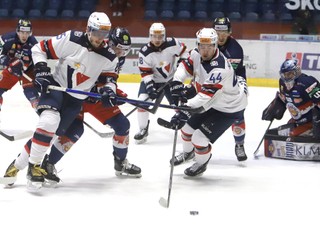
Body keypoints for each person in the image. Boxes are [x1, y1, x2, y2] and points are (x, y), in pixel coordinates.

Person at [3, 26, 141, 187]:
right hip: (75, 95)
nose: (120, 52)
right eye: (117, 48)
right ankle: (38, 165)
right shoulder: (87, 45)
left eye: (124, 50)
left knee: (121, 125)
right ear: (109, 41)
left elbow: (108, 80)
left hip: (89, 97)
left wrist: (112, 93)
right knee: (62, 128)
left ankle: (120, 162)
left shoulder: (114, 58)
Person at [167, 28, 247, 177]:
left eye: (209, 46)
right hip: (215, 100)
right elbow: (185, 67)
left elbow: (204, 96)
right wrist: (177, 82)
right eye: (202, 46)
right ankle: (188, 153)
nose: (205, 50)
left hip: (229, 107)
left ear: (215, 45)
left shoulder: (220, 67)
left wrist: (185, 109)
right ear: (198, 45)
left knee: (199, 138)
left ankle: (201, 162)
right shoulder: (196, 53)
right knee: (186, 128)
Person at [134, 22, 189, 144]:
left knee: (179, 105)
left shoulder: (172, 43)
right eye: (154, 36)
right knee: (142, 103)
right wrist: (150, 88)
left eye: (160, 36)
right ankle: (143, 129)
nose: (157, 39)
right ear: (150, 36)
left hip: (171, 81)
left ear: (164, 36)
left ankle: (187, 130)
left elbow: (185, 51)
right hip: (153, 81)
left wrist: (183, 62)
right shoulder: (145, 52)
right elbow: (145, 73)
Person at [213, 17, 248, 161]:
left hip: (234, 81)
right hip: (213, 79)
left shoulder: (235, 49)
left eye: (224, 32)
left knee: (237, 113)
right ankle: (192, 146)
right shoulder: (206, 43)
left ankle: (239, 144)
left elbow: (227, 76)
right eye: (217, 31)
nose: (221, 36)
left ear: (230, 32)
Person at [262, 58, 320, 138]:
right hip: (298, 121)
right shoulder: (282, 83)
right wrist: (276, 106)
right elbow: (284, 98)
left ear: (297, 72)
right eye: (284, 75)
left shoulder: (307, 82)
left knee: (292, 135)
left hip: (312, 122)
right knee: (279, 133)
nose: (287, 77)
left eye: (289, 74)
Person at [0, 19, 39, 126]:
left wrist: (40, 74)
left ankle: (47, 120)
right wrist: (4, 59)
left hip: (29, 71)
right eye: (22, 32)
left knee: (32, 95)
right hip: (11, 70)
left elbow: (39, 61)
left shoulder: (34, 44)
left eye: (27, 33)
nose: (24, 35)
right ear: (17, 31)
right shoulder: (6, 39)